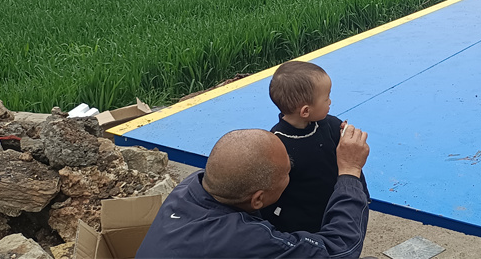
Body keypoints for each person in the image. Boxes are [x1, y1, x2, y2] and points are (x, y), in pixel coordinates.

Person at [136, 128, 371, 258]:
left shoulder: (190, 187)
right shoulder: (246, 240)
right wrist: (350, 171)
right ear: (258, 199)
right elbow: (340, 249)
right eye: (287, 173)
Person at [261, 61, 369, 233]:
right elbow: (270, 190)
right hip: (301, 224)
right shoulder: (276, 146)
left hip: (333, 210)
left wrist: (361, 195)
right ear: (305, 111)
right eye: (326, 98)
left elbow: (352, 163)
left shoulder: (332, 126)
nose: (330, 101)